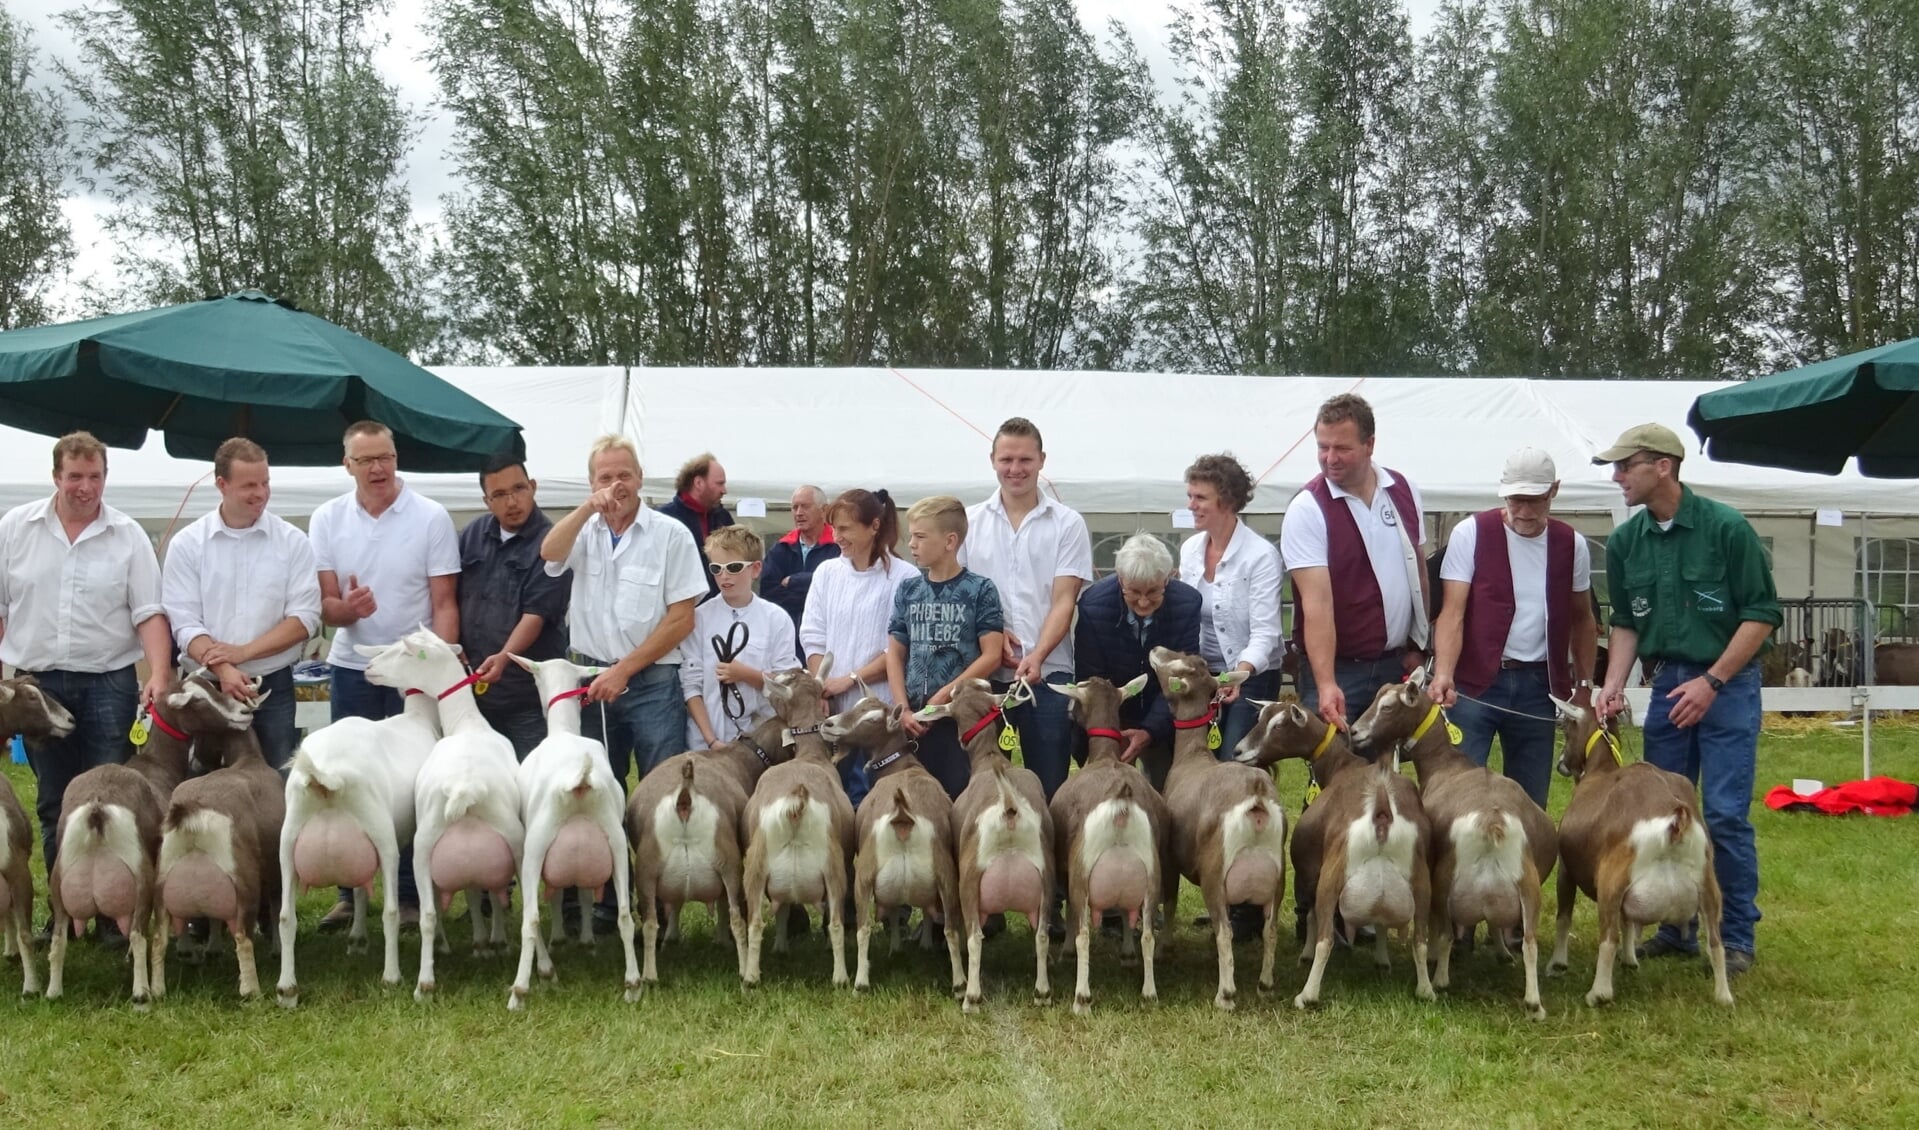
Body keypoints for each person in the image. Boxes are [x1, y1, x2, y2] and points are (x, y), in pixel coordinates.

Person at [1593, 423, 1776, 978]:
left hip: (1728, 686)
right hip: (1668, 682)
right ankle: (1676, 928)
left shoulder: (1727, 529)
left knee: (1720, 815)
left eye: (1627, 466)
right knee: (1661, 816)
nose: (1617, 477)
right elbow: (1625, 622)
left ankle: (1736, 934)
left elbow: (1762, 614)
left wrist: (1713, 682)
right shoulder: (1626, 543)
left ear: (1664, 466)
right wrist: (1613, 683)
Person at [0, 430, 173, 941]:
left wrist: (160, 674)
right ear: (56, 477)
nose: (85, 487)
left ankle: (115, 918)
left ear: (105, 477)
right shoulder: (15, 528)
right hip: (37, 688)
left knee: (109, 802)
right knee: (55, 802)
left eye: (94, 476)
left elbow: (149, 613)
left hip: (108, 684)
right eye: (75, 476)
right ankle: (66, 911)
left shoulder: (128, 535)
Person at [309, 420, 461, 931]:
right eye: (366, 460)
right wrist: (347, 610)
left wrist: (434, 674)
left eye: (387, 457)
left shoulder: (431, 517)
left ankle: (412, 894)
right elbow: (325, 607)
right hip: (354, 669)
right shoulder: (326, 519)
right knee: (350, 777)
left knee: (415, 783)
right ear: (346, 464)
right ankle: (351, 894)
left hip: (414, 677)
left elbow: (444, 603)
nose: (378, 468)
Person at [1428, 447, 1598, 808]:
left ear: (1554, 490)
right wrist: (1444, 674)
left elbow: (1583, 619)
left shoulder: (1573, 546)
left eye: (1534, 500)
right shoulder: (1470, 533)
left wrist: (1584, 686)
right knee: (1459, 798)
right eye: (1515, 500)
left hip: (1539, 689)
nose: (1523, 511)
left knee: (1530, 804)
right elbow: (1452, 613)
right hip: (1475, 686)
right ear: (1503, 493)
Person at [161, 437, 321, 773]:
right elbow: (184, 622)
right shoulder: (188, 544)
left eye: (265, 483)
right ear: (222, 484)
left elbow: (304, 618)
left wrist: (243, 654)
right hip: (204, 687)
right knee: (198, 783)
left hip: (271, 684)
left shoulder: (293, 541)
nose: (260, 493)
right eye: (249, 485)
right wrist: (225, 668)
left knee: (276, 780)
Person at [957, 417, 1093, 802]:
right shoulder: (969, 521)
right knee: (983, 790)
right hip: (986, 674)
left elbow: (1064, 599)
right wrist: (993, 635)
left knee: (1048, 786)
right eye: (1007, 459)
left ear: (1041, 460)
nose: (1015, 469)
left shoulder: (1068, 523)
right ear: (993, 460)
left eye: (1025, 460)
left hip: (1048, 675)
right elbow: (961, 593)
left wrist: (1036, 655)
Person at [1282, 393, 1431, 730]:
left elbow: (1418, 570)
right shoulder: (1307, 509)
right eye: (1323, 447)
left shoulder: (1404, 489)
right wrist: (1325, 683)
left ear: (1370, 444)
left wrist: (1419, 643)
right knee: (1338, 775)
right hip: (1340, 670)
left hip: (1396, 663)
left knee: (1388, 775)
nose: (1329, 458)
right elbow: (1316, 604)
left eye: (1342, 448)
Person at [799, 488, 918, 808]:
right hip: (834, 712)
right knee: (837, 805)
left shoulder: (905, 577)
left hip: (880, 720)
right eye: (834, 528)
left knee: (878, 805)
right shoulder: (826, 573)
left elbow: (899, 649)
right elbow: (813, 634)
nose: (837, 536)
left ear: (874, 526)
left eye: (846, 528)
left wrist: (851, 679)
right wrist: (821, 687)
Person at [457, 451, 572, 760]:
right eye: (500, 494)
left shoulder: (552, 542)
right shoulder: (471, 536)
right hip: (476, 699)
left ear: (532, 486)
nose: (512, 501)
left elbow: (536, 615)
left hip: (529, 700)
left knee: (531, 786)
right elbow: (450, 596)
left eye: (519, 489)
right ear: (486, 501)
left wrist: (505, 658)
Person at [889, 496, 1005, 799]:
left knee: (960, 798)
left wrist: (943, 698)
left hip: (959, 720)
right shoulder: (908, 589)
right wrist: (902, 708)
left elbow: (992, 655)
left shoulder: (980, 589)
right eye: (911, 535)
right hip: (913, 720)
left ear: (950, 541)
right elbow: (896, 651)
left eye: (920, 536)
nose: (911, 543)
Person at [1073, 533, 1201, 792]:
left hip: (1164, 708)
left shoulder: (1188, 603)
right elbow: (1093, 677)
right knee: (1109, 790)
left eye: (1153, 591)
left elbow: (1179, 677)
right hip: (1114, 713)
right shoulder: (1093, 606)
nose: (1143, 602)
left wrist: (1150, 730)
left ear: (1168, 578)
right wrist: (1112, 733)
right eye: (1134, 592)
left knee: (1166, 791)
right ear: (1121, 580)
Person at [1177, 453, 1284, 760]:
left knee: (1231, 759)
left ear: (1226, 501)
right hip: (1203, 675)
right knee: (1195, 758)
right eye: (1190, 496)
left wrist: (1236, 676)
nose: (1191, 505)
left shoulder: (1261, 556)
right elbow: (1184, 616)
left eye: (1200, 498)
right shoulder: (1190, 550)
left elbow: (1266, 633)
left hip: (1251, 676)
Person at [679, 526, 797, 750]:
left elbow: (787, 684)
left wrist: (747, 675)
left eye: (733, 568)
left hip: (762, 743)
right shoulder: (698, 618)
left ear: (755, 569)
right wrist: (711, 740)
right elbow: (691, 686)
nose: (724, 576)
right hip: (707, 741)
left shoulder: (776, 619)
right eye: (716, 568)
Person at [760, 484, 840, 646]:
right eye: (794, 507)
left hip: (829, 636)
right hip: (787, 637)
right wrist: (813, 594)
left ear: (823, 510)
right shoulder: (781, 547)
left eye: (805, 507)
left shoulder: (838, 546)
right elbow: (768, 594)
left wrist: (795, 581)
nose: (798, 513)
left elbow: (838, 590)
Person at [657, 453, 735, 597]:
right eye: (720, 483)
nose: (725, 490)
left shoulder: (723, 518)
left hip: (720, 609)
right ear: (699, 483)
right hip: (682, 608)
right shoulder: (664, 520)